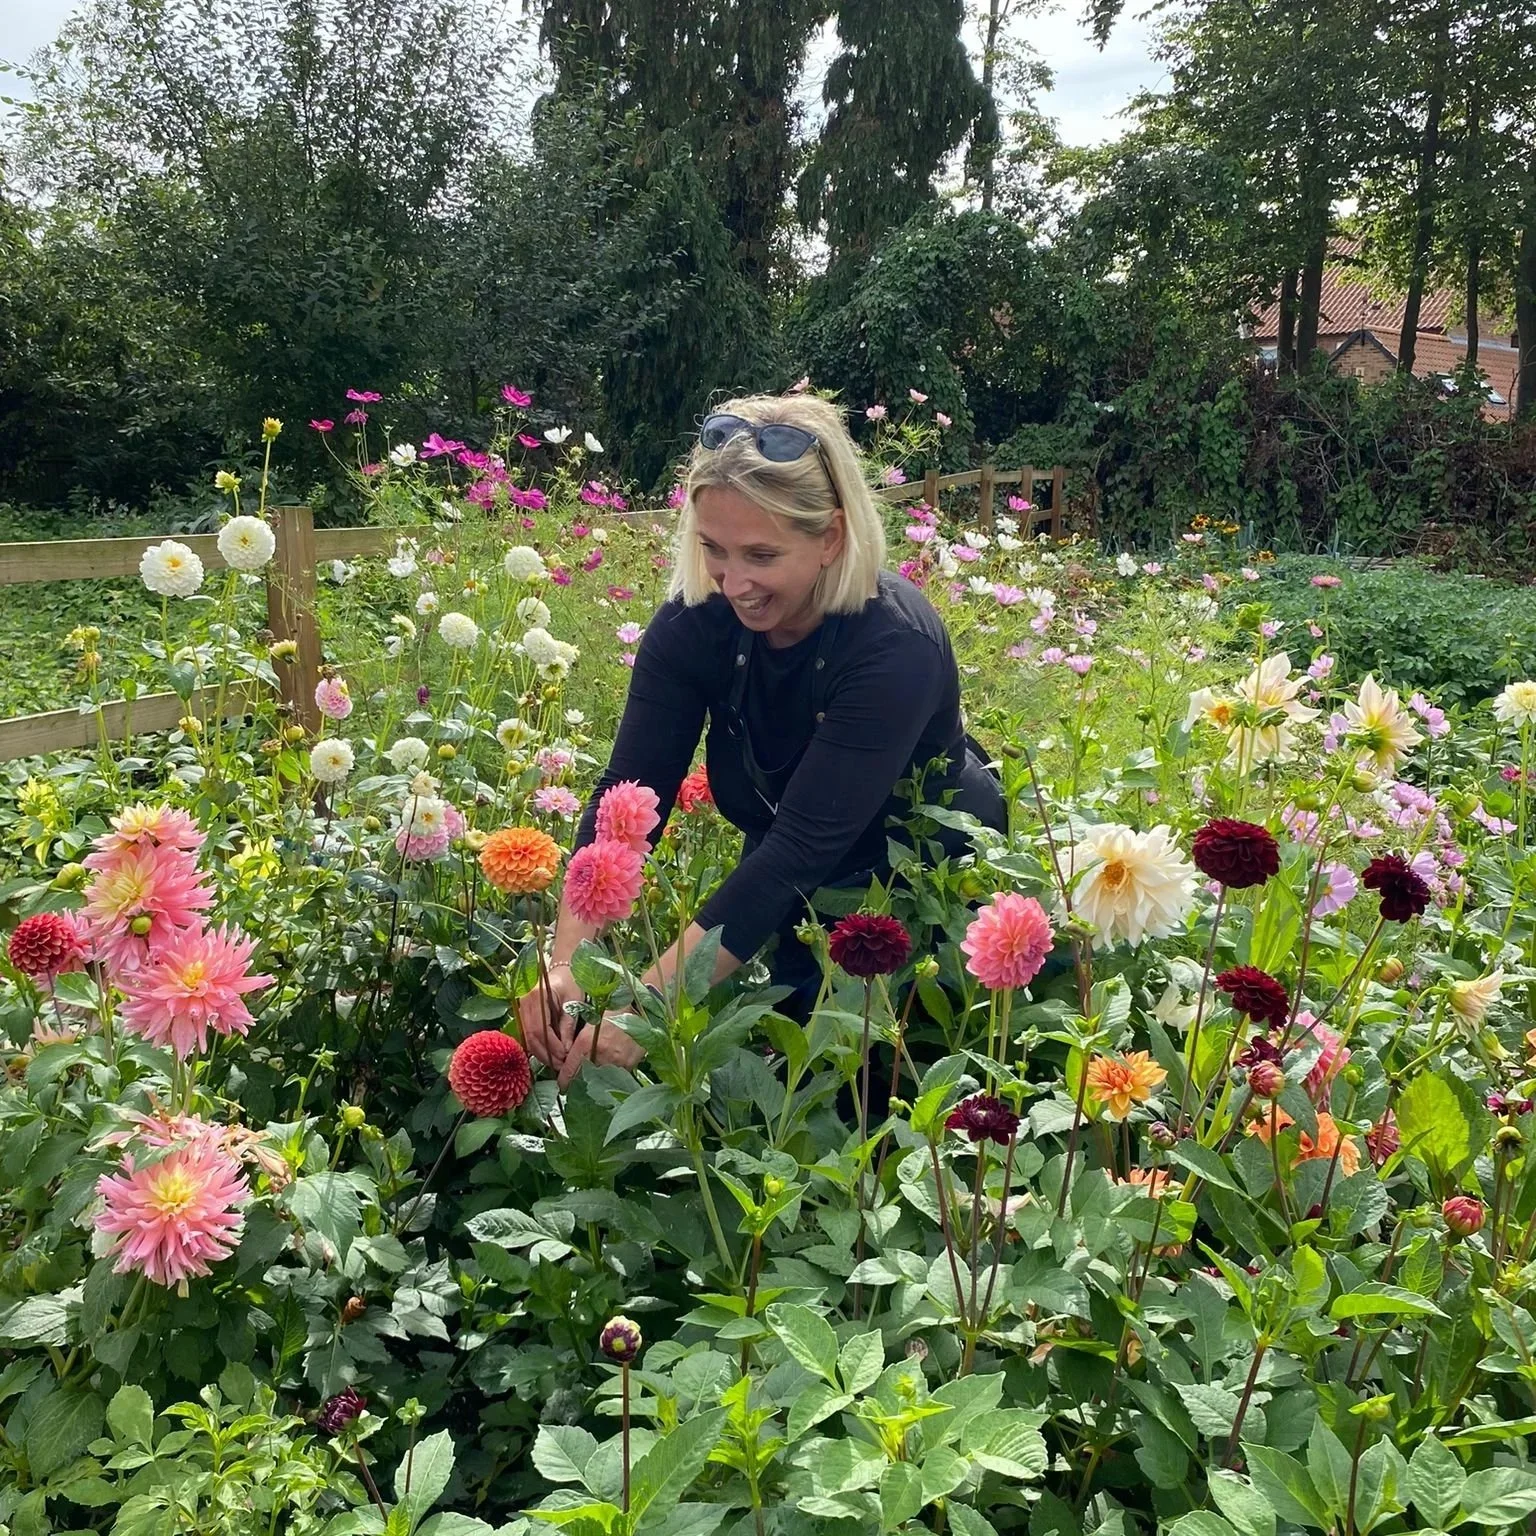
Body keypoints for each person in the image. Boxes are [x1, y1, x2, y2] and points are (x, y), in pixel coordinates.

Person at [521, 391, 1007, 1088]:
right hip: (795, 884)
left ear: (832, 537)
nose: (735, 582)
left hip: (928, 883)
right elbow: (628, 794)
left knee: (881, 1101)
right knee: (786, 1091)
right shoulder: (695, 625)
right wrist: (565, 962)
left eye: (761, 554)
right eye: (713, 549)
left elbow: (800, 851)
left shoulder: (893, 644)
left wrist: (644, 1011)